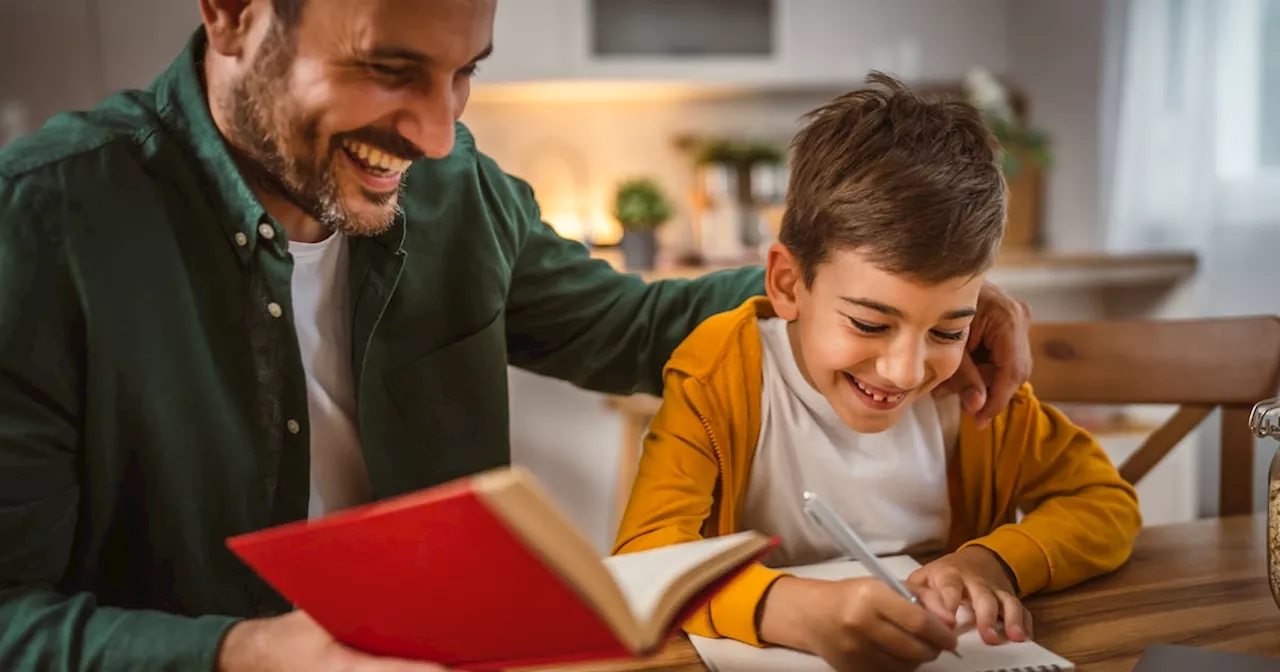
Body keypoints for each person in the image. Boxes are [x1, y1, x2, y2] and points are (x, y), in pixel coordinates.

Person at [0, 2, 1035, 671]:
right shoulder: (45, 226)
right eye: (390, 68)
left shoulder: (458, 196)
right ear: (231, 11)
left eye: (462, 75)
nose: (438, 133)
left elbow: (637, 328)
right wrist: (248, 654)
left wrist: (862, 301)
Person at [611, 73, 1142, 672]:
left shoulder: (971, 389)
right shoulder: (721, 373)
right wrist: (785, 608)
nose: (907, 371)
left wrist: (991, 563)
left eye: (947, 330)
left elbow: (1105, 502)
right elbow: (644, 559)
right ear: (789, 282)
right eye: (869, 324)